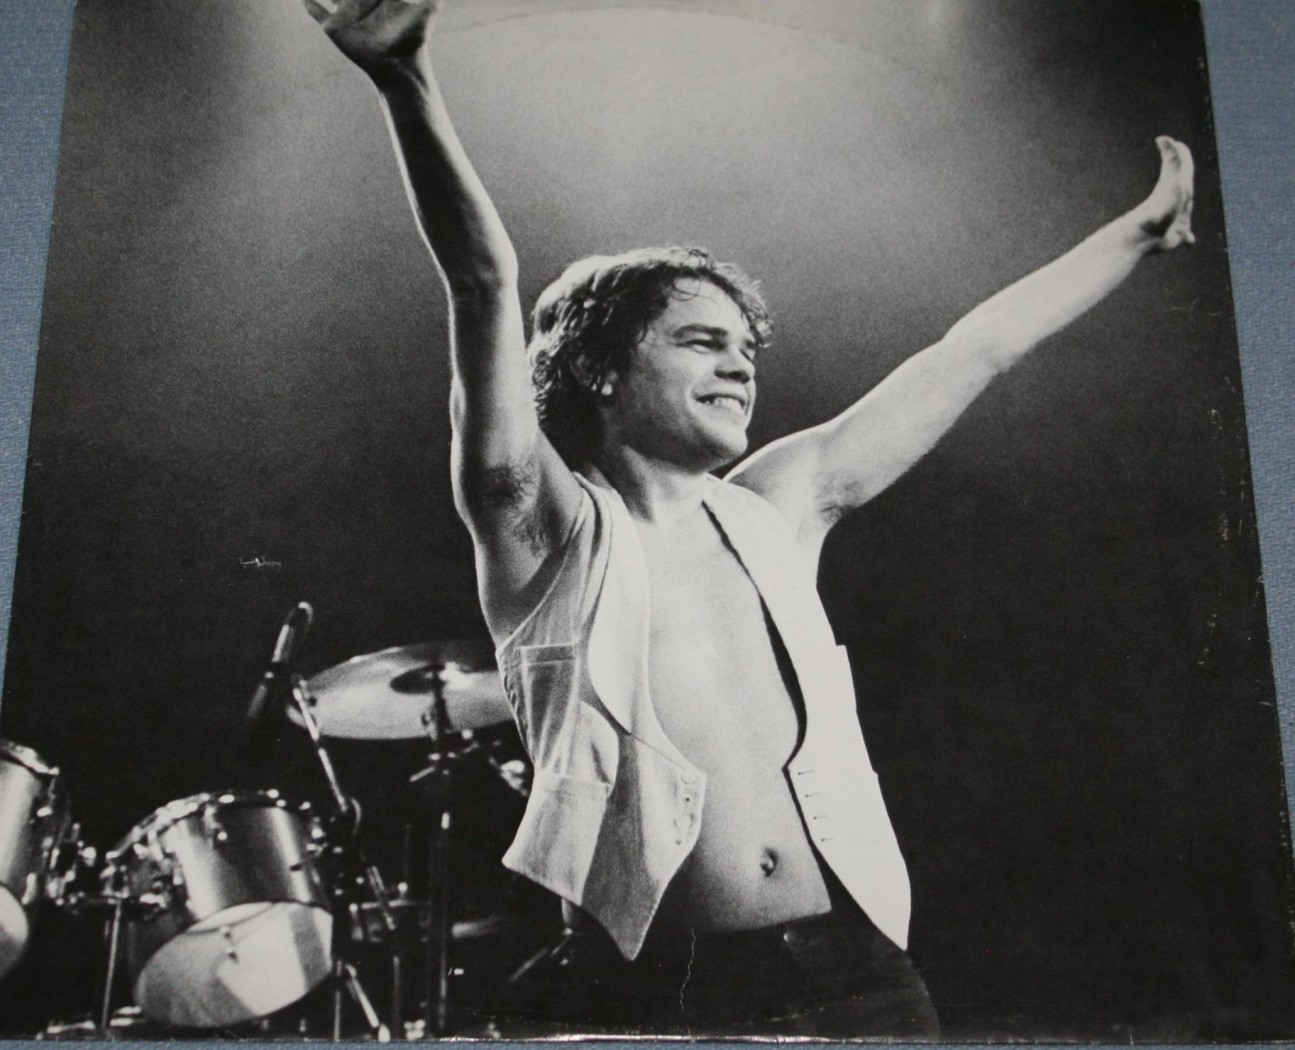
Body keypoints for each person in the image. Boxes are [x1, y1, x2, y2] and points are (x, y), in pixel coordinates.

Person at [303, 0, 1195, 1037]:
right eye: (698, 341)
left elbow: (975, 350)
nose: (738, 364)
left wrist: (1131, 236)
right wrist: (404, 78)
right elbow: (480, 282)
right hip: (661, 993)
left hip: (860, 973)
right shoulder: (542, 527)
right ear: (596, 369)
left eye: (745, 347)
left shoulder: (780, 501)